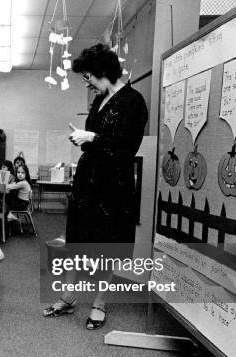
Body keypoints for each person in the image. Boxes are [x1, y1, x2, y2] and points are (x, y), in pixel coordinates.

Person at [43, 44, 148, 330]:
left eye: (87, 74)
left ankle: (100, 303)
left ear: (102, 71)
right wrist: (83, 139)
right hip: (88, 180)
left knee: (108, 245)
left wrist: (92, 138)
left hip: (113, 185)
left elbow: (128, 148)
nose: (85, 80)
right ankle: (68, 296)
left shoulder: (133, 101)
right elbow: (96, 139)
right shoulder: (98, 100)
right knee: (77, 239)